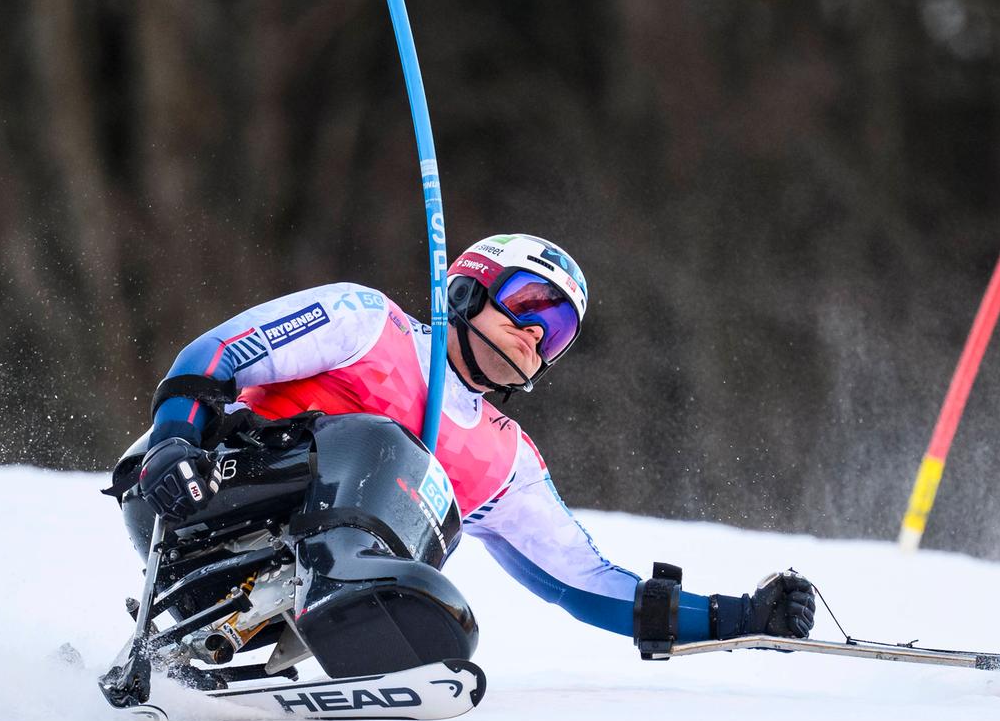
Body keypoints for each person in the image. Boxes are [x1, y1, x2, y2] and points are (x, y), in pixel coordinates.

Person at [135, 233, 815, 656]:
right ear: (466, 288)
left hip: (297, 580)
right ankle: (349, 593)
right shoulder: (369, 325)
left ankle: (318, 621)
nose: (535, 336)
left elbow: (583, 582)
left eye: (556, 334)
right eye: (527, 305)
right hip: (203, 487)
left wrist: (739, 620)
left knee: (432, 503)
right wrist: (171, 441)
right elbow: (219, 353)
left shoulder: (505, 459)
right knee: (389, 446)